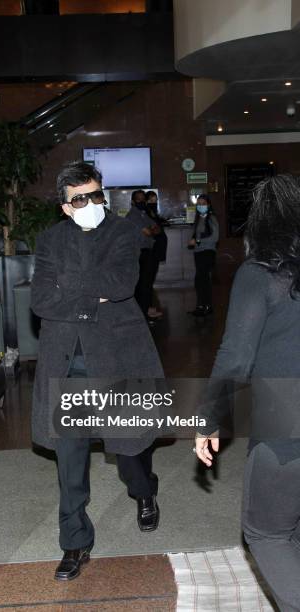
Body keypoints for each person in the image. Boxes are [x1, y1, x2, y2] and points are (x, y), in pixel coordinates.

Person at [30, 162, 164, 582]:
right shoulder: (50, 239)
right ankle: (74, 542)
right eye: (81, 199)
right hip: (67, 362)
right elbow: (39, 300)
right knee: (70, 460)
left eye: (97, 195)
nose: (92, 204)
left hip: (117, 356)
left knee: (128, 451)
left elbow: (122, 282)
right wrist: (90, 298)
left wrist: (68, 286)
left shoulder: (123, 232)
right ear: (66, 207)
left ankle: (144, 492)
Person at [195, 174, 300, 612]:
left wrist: (209, 420)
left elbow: (235, 356)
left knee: (267, 532)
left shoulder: (258, 276)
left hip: (286, 423)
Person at [126, 189, 159, 321]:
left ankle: (146, 311)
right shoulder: (133, 215)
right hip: (139, 253)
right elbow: (149, 232)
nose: (142, 201)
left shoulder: (143, 214)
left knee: (147, 283)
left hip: (147, 252)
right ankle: (142, 315)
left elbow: (157, 228)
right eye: (138, 199)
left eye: (143, 199)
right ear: (133, 202)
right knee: (142, 285)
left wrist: (152, 230)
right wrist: (152, 230)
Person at [187, 194, 219, 316]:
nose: (201, 206)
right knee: (199, 280)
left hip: (208, 252)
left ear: (208, 205)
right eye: (199, 204)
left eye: (203, 203)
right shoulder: (199, 218)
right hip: (198, 253)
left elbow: (215, 238)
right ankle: (201, 306)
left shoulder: (211, 218)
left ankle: (207, 306)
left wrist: (198, 241)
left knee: (203, 280)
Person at [145, 190, 168, 319]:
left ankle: (149, 307)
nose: (153, 203)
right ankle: (148, 308)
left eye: (155, 201)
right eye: (151, 201)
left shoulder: (152, 213)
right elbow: (152, 230)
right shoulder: (146, 214)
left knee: (150, 280)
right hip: (151, 252)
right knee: (148, 281)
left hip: (156, 252)